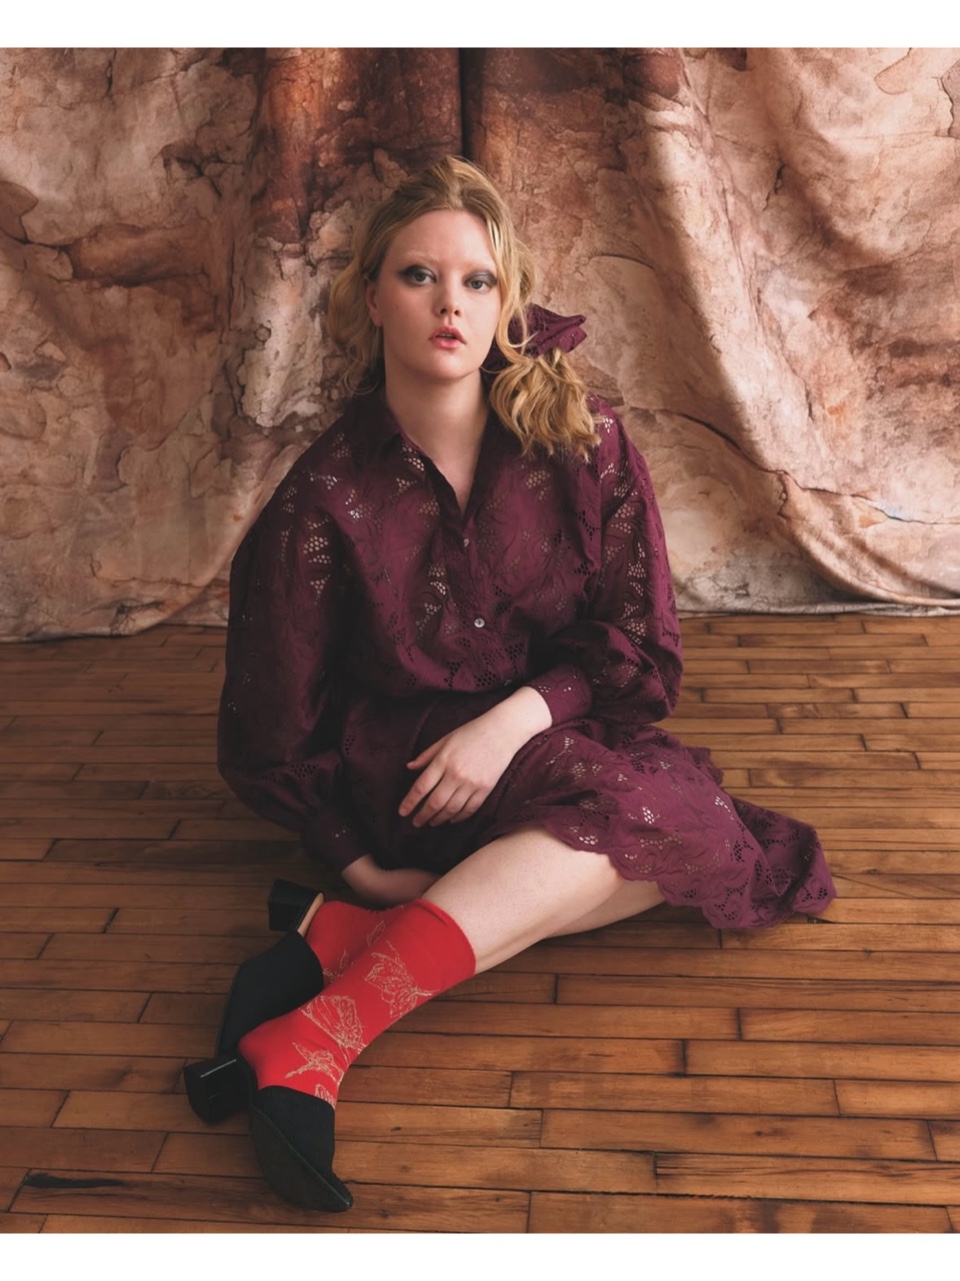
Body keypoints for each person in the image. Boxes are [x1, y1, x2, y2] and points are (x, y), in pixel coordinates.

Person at [183, 156, 836, 1211]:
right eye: (419, 276)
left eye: (477, 281)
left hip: (545, 740)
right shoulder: (323, 497)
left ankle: (327, 992)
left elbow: (638, 647)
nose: (451, 304)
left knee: (698, 832)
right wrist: (357, 862)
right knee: (636, 833)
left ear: (507, 302)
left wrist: (516, 720)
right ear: (371, 299)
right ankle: (327, 1025)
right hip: (409, 781)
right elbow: (273, 723)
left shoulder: (583, 444)